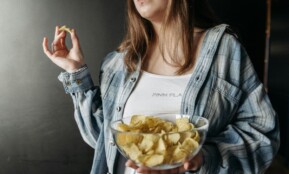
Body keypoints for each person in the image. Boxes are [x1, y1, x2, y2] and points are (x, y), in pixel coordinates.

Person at [42, 0, 280, 173]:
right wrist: (75, 72)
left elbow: (262, 134)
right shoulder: (119, 62)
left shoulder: (224, 50)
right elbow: (102, 140)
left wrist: (202, 159)